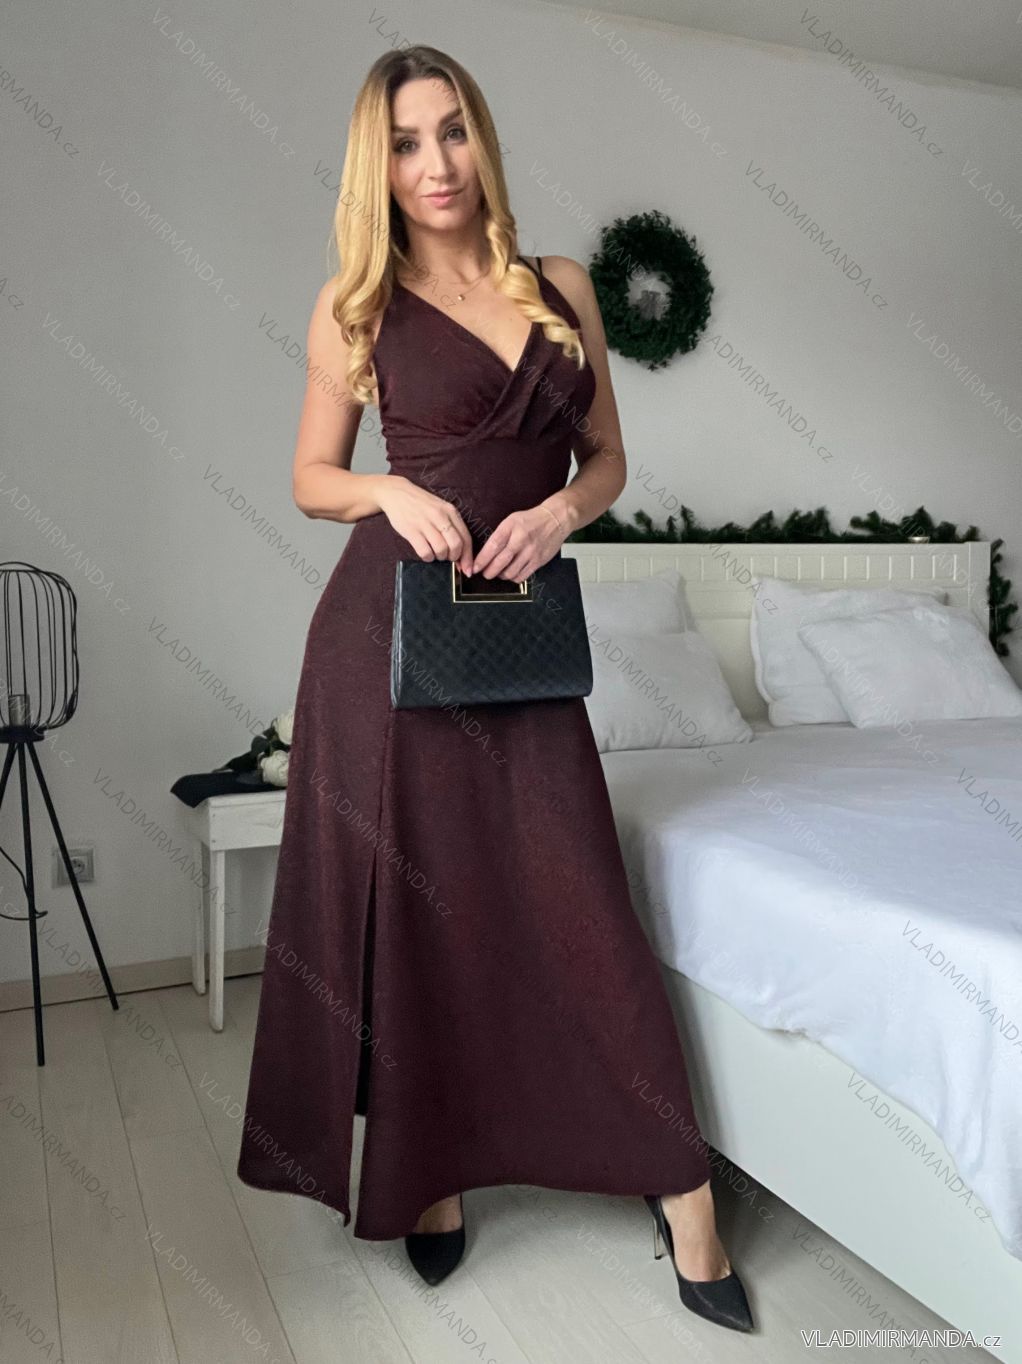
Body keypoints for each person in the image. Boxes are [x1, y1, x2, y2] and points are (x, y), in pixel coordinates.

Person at [236, 42, 753, 1335]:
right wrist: (385, 489)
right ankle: (431, 1174)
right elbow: (308, 477)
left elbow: (606, 458)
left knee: (580, 902)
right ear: (377, 167)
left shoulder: (560, 285)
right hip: (390, 642)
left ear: (483, 139)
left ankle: (681, 1191)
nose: (435, 164)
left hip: (518, 640)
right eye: (406, 143)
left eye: (453, 131)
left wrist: (561, 512)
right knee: (424, 920)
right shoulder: (356, 302)